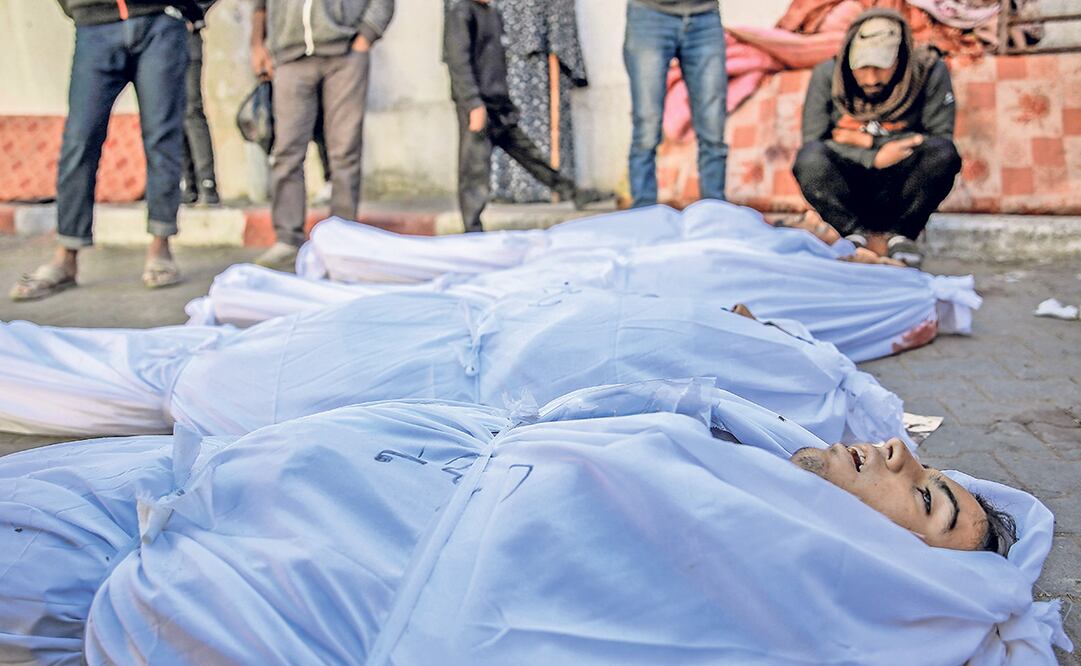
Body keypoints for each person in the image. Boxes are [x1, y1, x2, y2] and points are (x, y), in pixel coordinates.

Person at [1, 382, 1066, 664]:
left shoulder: (746, 585)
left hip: (311, 545)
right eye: (933, 468)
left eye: (924, 499)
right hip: (337, 468)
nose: (900, 453)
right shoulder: (761, 461)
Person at [0, 287, 908, 445]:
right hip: (453, 338)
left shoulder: (792, 411)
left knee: (203, 382)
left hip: (449, 372)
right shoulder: (796, 377)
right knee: (207, 369)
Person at [8, 0, 205, 301]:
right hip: (95, 25)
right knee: (80, 139)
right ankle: (66, 255)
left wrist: (192, 8)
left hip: (160, 21)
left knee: (162, 138)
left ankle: (160, 246)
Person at [792, 8, 962, 268]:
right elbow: (813, 142)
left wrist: (856, 138)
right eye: (862, 68)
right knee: (810, 159)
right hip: (850, 186)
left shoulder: (928, 71)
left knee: (943, 154)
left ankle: (901, 236)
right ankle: (852, 236)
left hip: (902, 187)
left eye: (882, 67)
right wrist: (872, 154)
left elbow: (939, 137)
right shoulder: (828, 75)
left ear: (901, 58)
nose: (871, 79)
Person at [249, 0, 395, 269]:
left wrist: (367, 34)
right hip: (290, 55)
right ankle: (287, 239)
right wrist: (257, 44)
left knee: (345, 150)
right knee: (287, 152)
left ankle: (343, 238)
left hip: (346, 51)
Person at [443, 0, 604, 233]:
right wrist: (472, 103)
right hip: (478, 107)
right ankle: (472, 228)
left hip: (499, 106)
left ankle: (572, 192)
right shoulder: (461, 13)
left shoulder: (492, 13)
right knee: (474, 171)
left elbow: (497, 63)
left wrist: (506, 102)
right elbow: (459, 63)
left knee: (530, 155)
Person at [623, 0, 728, 208]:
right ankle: (643, 214)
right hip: (649, 15)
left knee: (713, 127)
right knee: (647, 125)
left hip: (704, 15)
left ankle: (716, 212)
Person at [180, 0, 221, 206]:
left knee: (191, 109)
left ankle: (207, 184)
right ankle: (188, 186)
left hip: (187, 38)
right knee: (170, 114)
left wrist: (192, 13)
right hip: (157, 35)